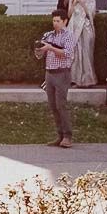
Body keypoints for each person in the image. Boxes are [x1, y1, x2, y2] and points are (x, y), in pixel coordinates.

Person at [36, 11, 77, 148]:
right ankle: (59, 135)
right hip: (49, 73)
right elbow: (40, 54)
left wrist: (50, 48)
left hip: (62, 73)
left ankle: (67, 136)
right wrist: (39, 49)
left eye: (58, 21)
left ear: (65, 21)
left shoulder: (69, 36)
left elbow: (66, 53)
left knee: (61, 105)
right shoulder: (48, 35)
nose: (55, 23)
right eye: (54, 21)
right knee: (53, 106)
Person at [65, 0, 97, 87]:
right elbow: (69, 15)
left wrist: (82, 3)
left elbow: (91, 15)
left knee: (86, 53)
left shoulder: (92, 0)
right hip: (74, 29)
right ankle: (75, 80)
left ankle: (88, 80)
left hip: (86, 29)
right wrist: (74, 3)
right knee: (75, 54)